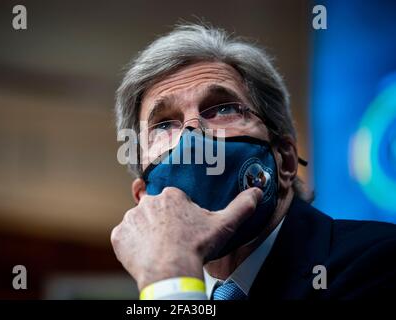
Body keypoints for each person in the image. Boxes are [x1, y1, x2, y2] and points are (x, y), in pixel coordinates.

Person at [111, 24, 396, 300]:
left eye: (223, 108)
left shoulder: (379, 260)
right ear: (144, 198)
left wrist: (169, 279)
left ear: (285, 161)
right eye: (163, 125)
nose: (192, 133)